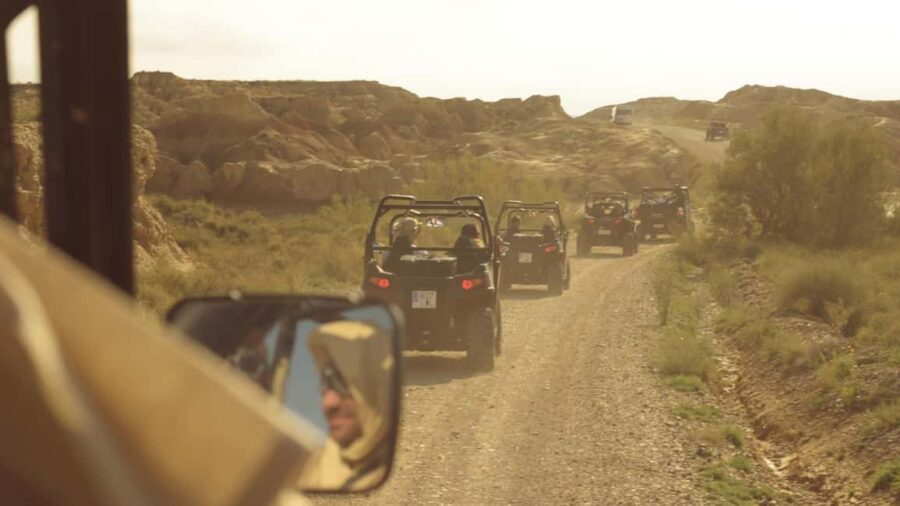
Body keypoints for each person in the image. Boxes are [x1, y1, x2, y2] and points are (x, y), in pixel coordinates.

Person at [298, 320, 394, 492]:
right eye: (324, 383)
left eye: (343, 383)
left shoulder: (387, 469)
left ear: (376, 385)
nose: (327, 404)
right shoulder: (311, 467)